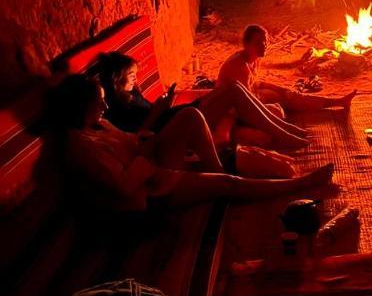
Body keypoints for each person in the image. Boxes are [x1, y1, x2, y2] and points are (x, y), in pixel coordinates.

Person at [48, 75, 334, 213]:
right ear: (81, 105)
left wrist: (143, 141)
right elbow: (124, 186)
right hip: (147, 191)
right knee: (227, 184)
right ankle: (299, 184)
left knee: (191, 115)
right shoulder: (81, 145)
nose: (104, 105)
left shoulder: (98, 124)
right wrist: (146, 151)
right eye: (99, 102)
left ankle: (220, 169)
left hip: (151, 160)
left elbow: (131, 141)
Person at [97, 51, 309, 150]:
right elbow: (137, 139)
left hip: (176, 115)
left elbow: (153, 110)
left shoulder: (132, 93)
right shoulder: (112, 108)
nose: (136, 78)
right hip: (176, 129)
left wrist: (164, 102)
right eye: (132, 75)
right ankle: (283, 133)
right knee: (234, 92)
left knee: (233, 87)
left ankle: (282, 128)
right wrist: (158, 110)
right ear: (117, 78)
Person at [217, 25, 356, 124]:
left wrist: (282, 90)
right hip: (233, 110)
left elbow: (256, 83)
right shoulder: (239, 66)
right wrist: (273, 105)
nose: (264, 45)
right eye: (258, 42)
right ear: (246, 44)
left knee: (289, 95)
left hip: (251, 96)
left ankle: (337, 102)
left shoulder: (254, 58)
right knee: (279, 110)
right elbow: (245, 104)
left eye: (265, 41)